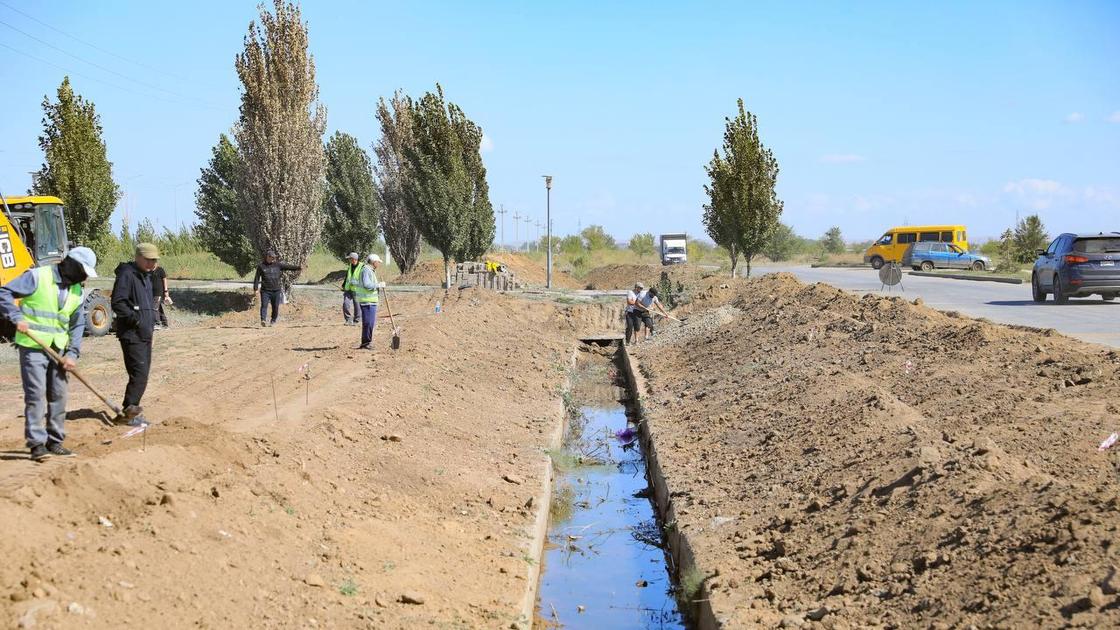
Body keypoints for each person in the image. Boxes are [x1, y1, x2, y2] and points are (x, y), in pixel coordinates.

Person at [0, 247, 97, 461]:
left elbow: (77, 323)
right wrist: (15, 316)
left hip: (59, 349)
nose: (84, 277)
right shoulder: (37, 276)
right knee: (35, 395)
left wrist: (72, 353)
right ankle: (37, 445)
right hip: (33, 347)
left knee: (59, 396)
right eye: (82, 271)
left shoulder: (77, 291)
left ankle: (55, 442)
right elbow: (3, 292)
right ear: (71, 264)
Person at [112, 243, 161, 427]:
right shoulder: (127, 274)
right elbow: (118, 302)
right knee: (139, 374)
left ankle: (130, 411)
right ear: (138, 258)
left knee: (142, 374)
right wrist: (136, 320)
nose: (152, 263)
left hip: (145, 333)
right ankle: (129, 412)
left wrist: (148, 324)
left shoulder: (146, 276)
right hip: (132, 334)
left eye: (154, 260)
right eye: (148, 260)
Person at [253, 250, 303, 327]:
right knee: (264, 305)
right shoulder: (261, 266)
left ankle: (273, 320)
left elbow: (288, 267)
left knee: (275, 307)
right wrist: (255, 289)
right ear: (268, 257)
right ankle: (263, 319)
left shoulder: (278, 265)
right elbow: (257, 278)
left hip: (276, 290)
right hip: (265, 291)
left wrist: (299, 267)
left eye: (274, 258)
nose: (273, 259)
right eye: (272, 257)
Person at [354, 254, 382, 350]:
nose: (379, 264)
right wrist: (378, 285)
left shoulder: (370, 270)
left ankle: (366, 342)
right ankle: (366, 343)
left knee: (370, 323)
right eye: (378, 262)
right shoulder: (366, 270)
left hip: (371, 301)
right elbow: (367, 285)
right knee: (368, 323)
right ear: (374, 262)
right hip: (367, 301)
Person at [341, 252, 362, 326]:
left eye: (350, 259)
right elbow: (347, 277)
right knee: (345, 304)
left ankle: (356, 320)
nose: (349, 260)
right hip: (348, 289)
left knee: (357, 306)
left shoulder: (362, 267)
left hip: (357, 289)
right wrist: (343, 285)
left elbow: (364, 278)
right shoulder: (350, 266)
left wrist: (357, 283)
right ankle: (348, 319)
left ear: (354, 259)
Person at [151, 262, 172, 329]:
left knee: (154, 308)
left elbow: (164, 280)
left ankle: (157, 323)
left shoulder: (160, 270)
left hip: (159, 293)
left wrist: (166, 291)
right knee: (158, 308)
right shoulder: (149, 271)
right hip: (151, 293)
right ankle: (165, 324)